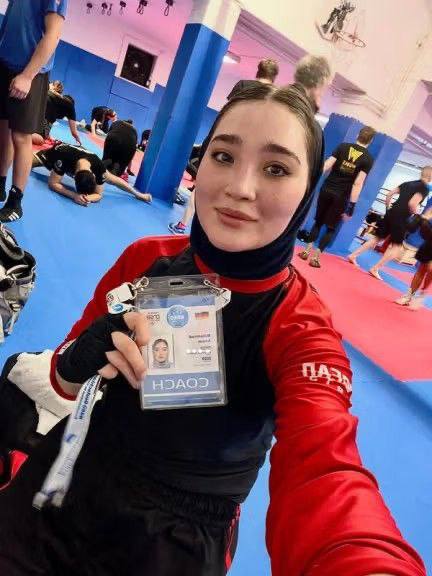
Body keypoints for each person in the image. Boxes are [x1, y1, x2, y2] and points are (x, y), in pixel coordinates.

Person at [0, 84, 425, 576]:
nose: (240, 187)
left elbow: (326, 473)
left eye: (276, 168)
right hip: (70, 481)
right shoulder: (148, 258)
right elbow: (60, 381)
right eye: (224, 156)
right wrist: (77, 360)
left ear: (307, 193)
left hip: (175, 543)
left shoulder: (300, 327)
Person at [0, 0, 68, 223]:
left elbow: (53, 34)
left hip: (30, 72)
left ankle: (16, 201)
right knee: (3, 129)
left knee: (21, 136)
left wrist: (28, 76)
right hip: (5, 64)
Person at [298, 125, 376, 267]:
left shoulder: (343, 147)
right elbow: (357, 183)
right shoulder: (368, 158)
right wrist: (351, 207)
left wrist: (309, 180)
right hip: (341, 196)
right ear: (371, 141)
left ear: (358, 135)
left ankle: (306, 251)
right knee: (331, 227)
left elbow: (326, 165)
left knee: (318, 222)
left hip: (326, 189)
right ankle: (315, 259)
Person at [348, 166, 432, 279]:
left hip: (391, 212)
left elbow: (389, 194)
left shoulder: (408, 183)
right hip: (402, 218)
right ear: (430, 176)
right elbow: (412, 204)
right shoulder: (424, 188)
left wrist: (388, 208)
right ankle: (375, 268)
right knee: (396, 247)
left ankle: (353, 255)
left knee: (377, 238)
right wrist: (417, 215)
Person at [32, 142, 151, 206]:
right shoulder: (64, 157)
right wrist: (73, 195)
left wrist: (86, 198)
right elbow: (53, 183)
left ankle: (138, 194)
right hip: (55, 152)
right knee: (26, 162)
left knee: (110, 177)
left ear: (93, 175)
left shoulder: (98, 167)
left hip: (85, 157)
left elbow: (99, 194)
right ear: (74, 175)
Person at [396, 210, 432, 309]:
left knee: (430, 270)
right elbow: (426, 216)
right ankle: (408, 296)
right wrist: (424, 219)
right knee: (421, 270)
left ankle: (422, 294)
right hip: (429, 242)